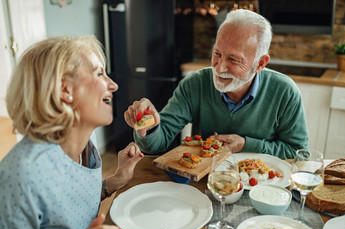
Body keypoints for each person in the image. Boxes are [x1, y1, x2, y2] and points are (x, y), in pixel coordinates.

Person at [0, 36, 143, 229]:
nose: (113, 85)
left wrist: (114, 181)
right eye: (99, 73)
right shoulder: (22, 175)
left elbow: (74, 206)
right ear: (65, 89)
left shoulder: (88, 143)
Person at [124, 9, 309, 160]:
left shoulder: (285, 91)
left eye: (234, 60)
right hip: (205, 180)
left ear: (260, 63)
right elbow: (157, 141)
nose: (219, 68)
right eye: (217, 54)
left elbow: (299, 154)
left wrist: (246, 144)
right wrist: (149, 127)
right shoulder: (194, 84)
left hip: (260, 187)